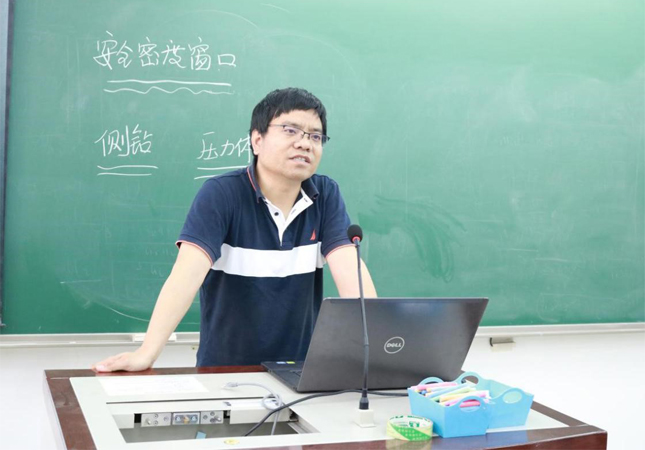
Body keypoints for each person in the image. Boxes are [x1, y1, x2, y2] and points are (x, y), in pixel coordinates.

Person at [92, 87, 376, 372]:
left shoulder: (325, 195)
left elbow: (350, 269)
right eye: (291, 130)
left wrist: (377, 349)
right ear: (257, 140)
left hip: (300, 373)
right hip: (224, 374)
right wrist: (147, 352)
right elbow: (185, 276)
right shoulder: (221, 194)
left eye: (315, 136)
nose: (304, 143)